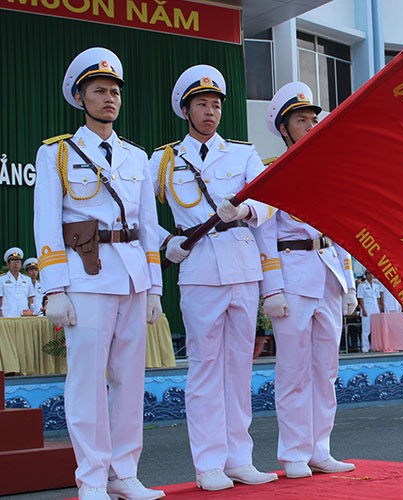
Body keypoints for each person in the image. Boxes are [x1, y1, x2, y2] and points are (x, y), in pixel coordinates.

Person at [33, 47, 165, 500]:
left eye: (114, 91)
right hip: (85, 277)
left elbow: (147, 227)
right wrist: (54, 288)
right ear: (80, 97)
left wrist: (154, 288)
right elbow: (45, 222)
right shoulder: (57, 153)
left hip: (131, 276)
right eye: (98, 91)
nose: (109, 98)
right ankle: (91, 478)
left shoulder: (136, 157)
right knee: (87, 381)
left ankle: (124, 472)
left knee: (130, 381)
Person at [148, 65, 278, 491]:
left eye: (216, 104)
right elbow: (139, 211)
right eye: (202, 104)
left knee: (239, 368)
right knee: (205, 370)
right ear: (186, 110)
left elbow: (267, 201)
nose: (210, 112)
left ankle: (239, 458)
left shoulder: (241, 153)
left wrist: (244, 211)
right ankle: (207, 464)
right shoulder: (164, 159)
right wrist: (166, 242)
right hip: (199, 270)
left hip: (241, 269)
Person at [258, 81, 358, 479]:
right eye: (302, 120)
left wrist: (348, 282)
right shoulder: (272, 173)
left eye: (314, 119)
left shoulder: (329, 170)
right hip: (292, 275)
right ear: (284, 128)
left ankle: (321, 448)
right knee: (293, 370)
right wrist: (273, 289)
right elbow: (264, 234)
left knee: (325, 370)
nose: (311, 125)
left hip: (326, 274)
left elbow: (342, 231)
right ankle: (294, 452)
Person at [0, 248, 35, 317]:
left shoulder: (27, 280)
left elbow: (30, 298)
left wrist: (32, 312)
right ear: (8, 264)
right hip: (8, 315)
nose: (16, 264)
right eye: (13, 261)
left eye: (18, 262)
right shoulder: (1, 280)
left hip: (24, 315)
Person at [356, 270, 382, 353]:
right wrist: (363, 309)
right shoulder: (362, 285)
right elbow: (360, 298)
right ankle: (365, 347)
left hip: (375, 309)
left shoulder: (376, 285)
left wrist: (380, 309)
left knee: (375, 329)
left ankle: (374, 346)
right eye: (369, 274)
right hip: (367, 308)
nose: (371, 276)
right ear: (366, 275)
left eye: (372, 274)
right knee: (366, 330)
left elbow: (378, 298)